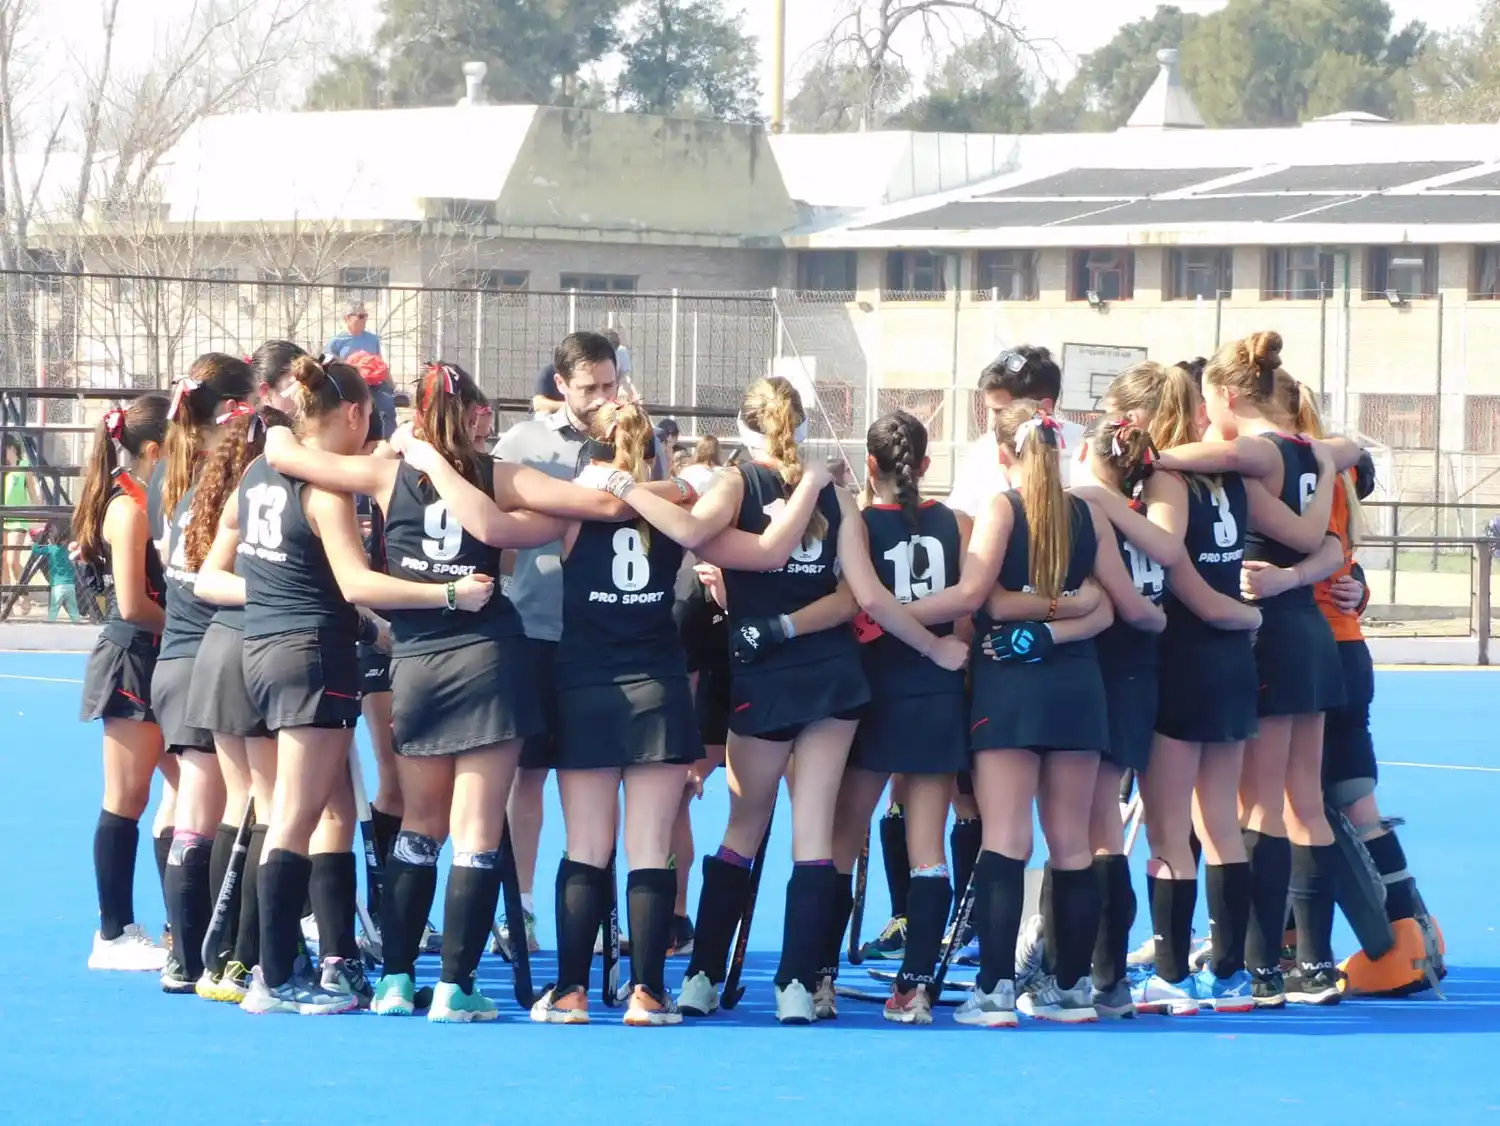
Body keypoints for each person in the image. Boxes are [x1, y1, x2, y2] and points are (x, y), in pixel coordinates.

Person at [897, 403, 1164, 1026]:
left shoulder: (1001, 508)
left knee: (1006, 837)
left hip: (1012, 692)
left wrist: (888, 613)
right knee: (1071, 842)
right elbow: (1121, 605)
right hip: (1078, 691)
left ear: (1002, 454)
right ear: (1063, 451)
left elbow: (975, 596)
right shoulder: (1087, 513)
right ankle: (1070, 990)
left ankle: (992, 992)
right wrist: (1074, 611)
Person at [1157, 332, 1355, 1007]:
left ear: (1230, 396)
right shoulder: (1309, 448)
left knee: (1258, 801)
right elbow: (1327, 536)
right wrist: (1329, 465)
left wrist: (1142, 452)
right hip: (1310, 630)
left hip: (1270, 632)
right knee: (1306, 797)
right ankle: (1317, 963)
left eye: (1211, 402)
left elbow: (1180, 454)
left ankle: (1264, 962)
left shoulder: (1256, 450)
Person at [1266, 372, 1445, 997]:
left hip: (1304, 646)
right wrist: (1355, 582)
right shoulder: (1332, 471)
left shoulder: (1283, 471)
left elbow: (1318, 548)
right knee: (1340, 801)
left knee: (1291, 804)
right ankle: (1408, 932)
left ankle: (1366, 941)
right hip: (1341, 646)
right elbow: (1343, 549)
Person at [491, 331, 623, 960]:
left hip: (613, 638)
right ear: (562, 385)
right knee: (529, 779)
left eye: (610, 384)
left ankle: (596, 912)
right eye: (590, 387)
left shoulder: (636, 439)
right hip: (538, 630)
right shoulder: (521, 445)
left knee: (600, 779)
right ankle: (519, 909)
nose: (603, 398)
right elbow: (499, 533)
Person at [179, 401, 295, 1003]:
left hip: (219, 646)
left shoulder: (236, 492)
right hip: (259, 647)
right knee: (274, 807)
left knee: (238, 804)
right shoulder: (298, 490)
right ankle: (248, 957)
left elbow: (205, 580)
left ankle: (212, 955)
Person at [150, 355, 258, 995]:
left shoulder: (180, 484)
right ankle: (198, 954)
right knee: (212, 810)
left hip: (174, 659)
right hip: (204, 657)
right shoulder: (234, 500)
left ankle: (184, 950)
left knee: (187, 808)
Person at [75, 394, 173, 972]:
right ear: (154, 450)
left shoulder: (140, 499)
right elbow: (133, 604)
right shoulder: (129, 508)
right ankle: (112, 933)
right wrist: (191, 625)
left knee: (191, 787)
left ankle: (183, 923)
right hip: (134, 659)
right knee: (126, 799)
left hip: (155, 656)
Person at [947, 347, 1085, 520]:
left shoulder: (1083, 453)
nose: (991, 424)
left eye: (1002, 412)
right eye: (990, 411)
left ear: (1045, 407)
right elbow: (958, 519)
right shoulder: (983, 451)